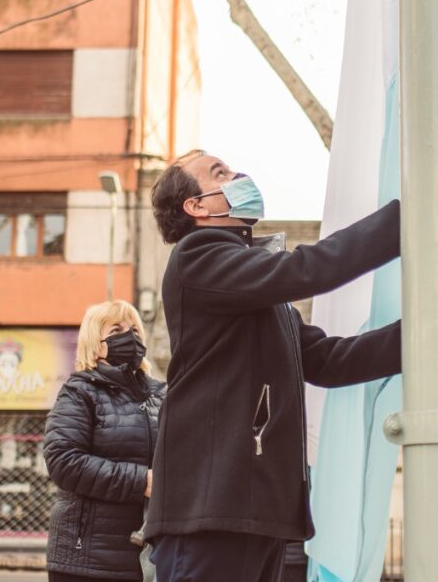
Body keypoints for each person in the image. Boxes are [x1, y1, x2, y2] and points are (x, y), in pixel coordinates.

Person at [144, 150, 401, 581]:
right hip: (213, 507)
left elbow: (328, 361)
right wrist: (400, 222)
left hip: (251, 506)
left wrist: (420, 334)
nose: (238, 175)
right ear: (196, 206)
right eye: (219, 173)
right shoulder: (198, 257)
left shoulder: (254, 285)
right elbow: (306, 269)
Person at [44, 301, 166, 582]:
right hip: (87, 561)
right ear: (95, 344)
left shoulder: (162, 395)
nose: (130, 336)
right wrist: (142, 482)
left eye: (135, 329)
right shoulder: (80, 392)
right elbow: (64, 462)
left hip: (149, 561)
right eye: (117, 329)